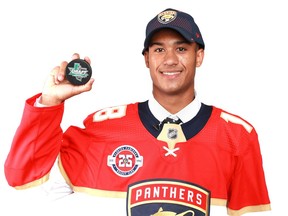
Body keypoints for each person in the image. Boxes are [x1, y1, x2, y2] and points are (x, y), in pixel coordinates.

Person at [4, 8, 271, 216]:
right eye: (158, 49)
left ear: (198, 56)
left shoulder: (237, 135)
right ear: (146, 58)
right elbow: (25, 180)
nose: (169, 59)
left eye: (181, 48)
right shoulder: (103, 130)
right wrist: (49, 103)